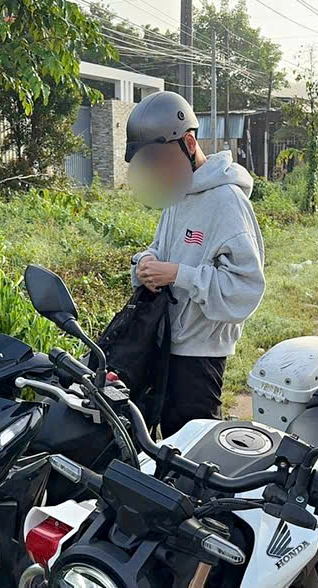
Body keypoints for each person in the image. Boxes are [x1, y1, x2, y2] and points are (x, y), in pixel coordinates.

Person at [124, 90, 266, 438]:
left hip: (200, 356)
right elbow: (160, 248)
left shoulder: (226, 202)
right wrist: (145, 263)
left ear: (188, 143)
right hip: (161, 343)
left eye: (160, 160)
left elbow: (246, 290)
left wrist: (179, 274)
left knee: (192, 445)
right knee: (156, 440)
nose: (156, 171)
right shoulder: (177, 194)